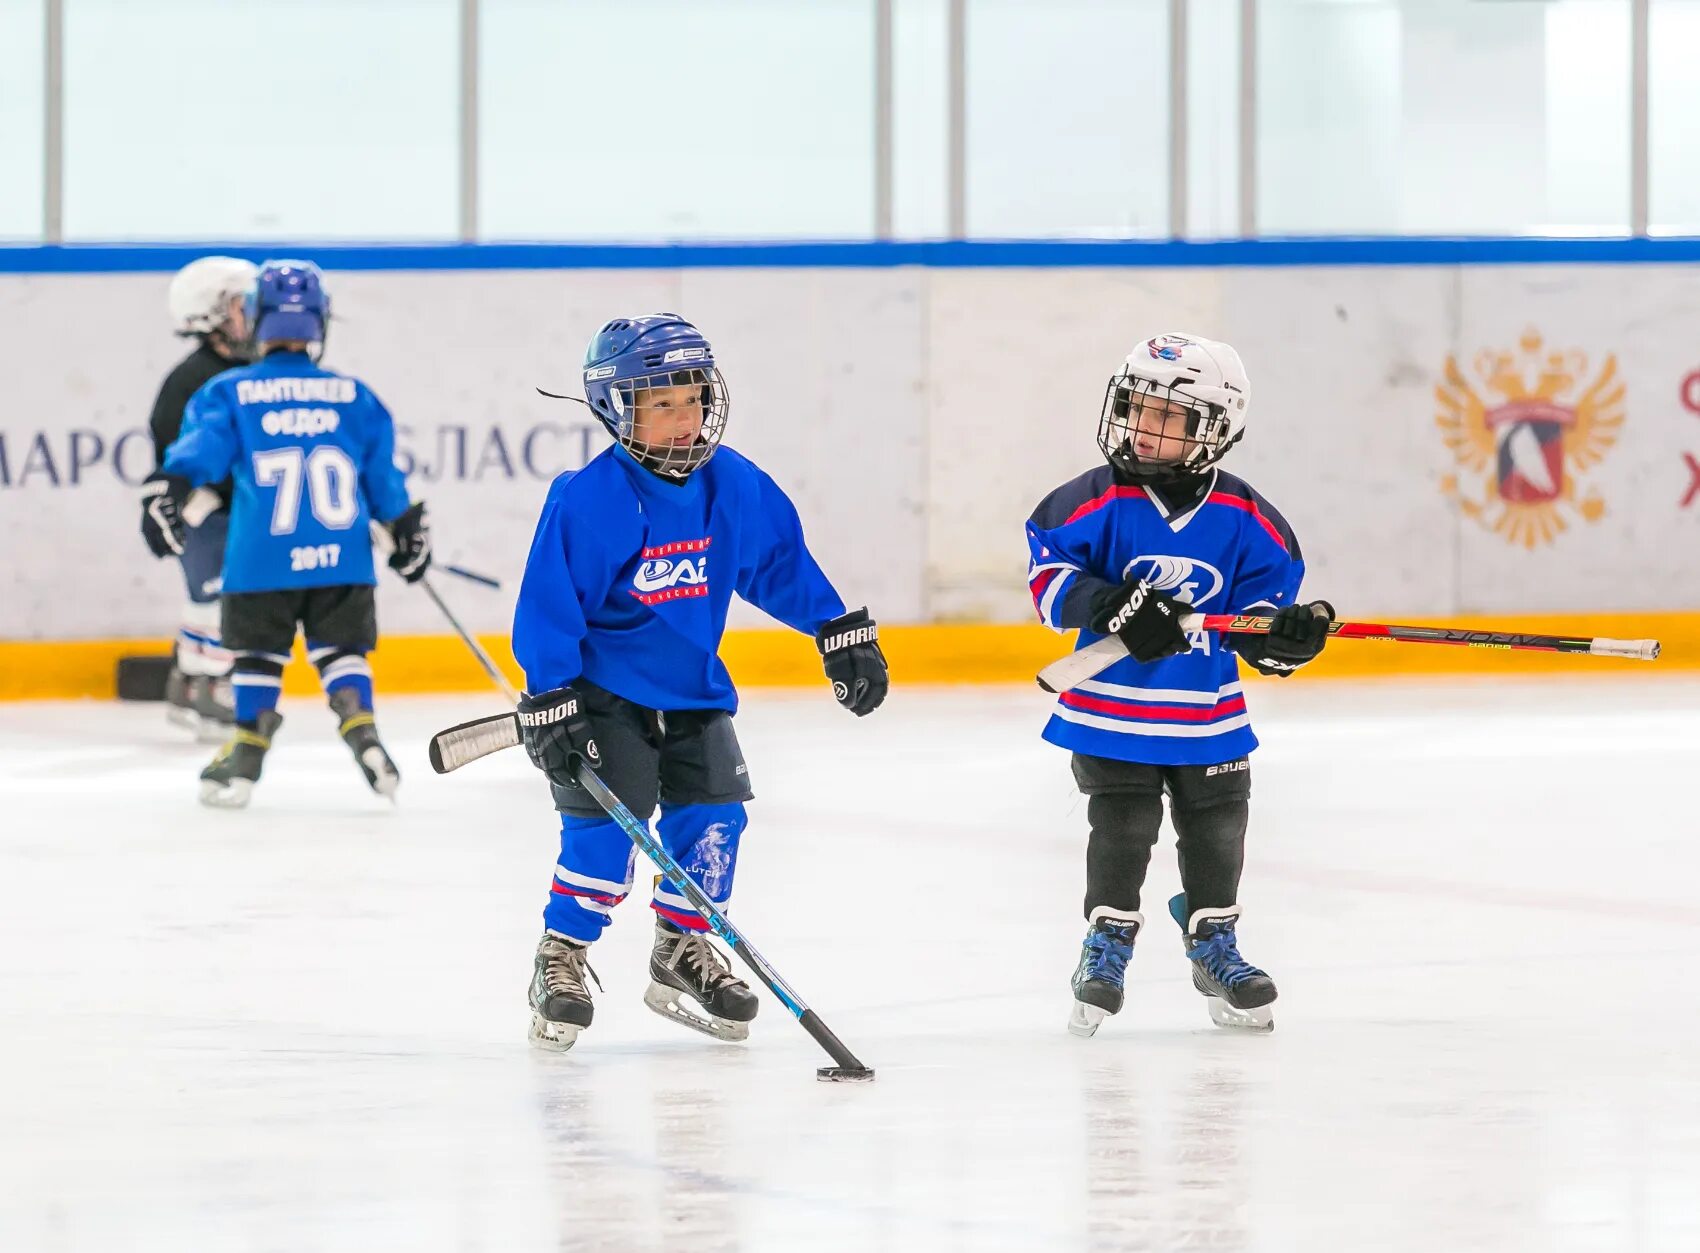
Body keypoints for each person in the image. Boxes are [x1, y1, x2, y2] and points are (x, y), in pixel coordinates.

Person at [510, 313, 888, 1052]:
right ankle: (562, 953)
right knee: (605, 838)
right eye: (660, 404)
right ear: (617, 410)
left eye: (690, 399)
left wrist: (835, 629)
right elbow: (549, 602)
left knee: (716, 824)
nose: (682, 419)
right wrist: (551, 694)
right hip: (603, 698)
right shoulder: (592, 498)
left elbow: (778, 564)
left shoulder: (732, 483)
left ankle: (680, 948)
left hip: (693, 691)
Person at [1024, 333, 1333, 1035]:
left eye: (1168, 415)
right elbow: (1049, 586)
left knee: (1219, 827)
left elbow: (1256, 623)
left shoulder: (1252, 521)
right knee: (1124, 828)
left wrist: (1282, 639)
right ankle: (1105, 946)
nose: (1142, 424)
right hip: (1111, 713)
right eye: (1136, 406)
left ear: (1214, 428)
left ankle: (1213, 941)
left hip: (1207, 716)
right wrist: (1112, 604)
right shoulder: (1089, 502)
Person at [142, 259, 432, 808]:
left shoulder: (228, 391)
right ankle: (363, 731)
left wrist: (169, 487)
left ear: (255, 319)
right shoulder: (354, 395)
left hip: (259, 559)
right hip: (343, 559)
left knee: (257, 658)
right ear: (320, 323)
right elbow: (385, 484)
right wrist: (405, 526)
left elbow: (197, 455)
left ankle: (247, 753)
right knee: (342, 652)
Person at [140, 255, 256, 739]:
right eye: (240, 305)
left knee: (217, 597)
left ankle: (189, 683)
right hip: (203, 510)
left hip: (232, 509)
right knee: (212, 599)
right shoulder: (191, 378)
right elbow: (174, 449)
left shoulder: (251, 370)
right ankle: (205, 686)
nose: (254, 313)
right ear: (210, 315)